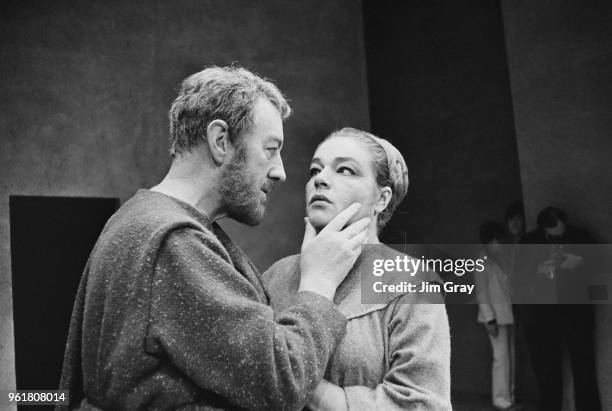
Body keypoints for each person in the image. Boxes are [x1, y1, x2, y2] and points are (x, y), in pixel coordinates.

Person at [58, 67, 372, 410]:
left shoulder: (140, 220)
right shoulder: (172, 243)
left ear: (383, 196)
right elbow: (280, 382)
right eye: (270, 149)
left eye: (345, 170)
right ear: (220, 141)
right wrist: (320, 282)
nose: (282, 172)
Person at [264, 128, 451, 410]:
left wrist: (307, 385)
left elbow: (425, 403)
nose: (321, 179)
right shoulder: (275, 276)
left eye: (346, 170)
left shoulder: (412, 282)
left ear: (382, 199)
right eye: (315, 170)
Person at [518, 207, 601, 411]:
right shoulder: (529, 243)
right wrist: (537, 270)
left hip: (577, 314)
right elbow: (518, 277)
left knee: (584, 371)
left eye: (562, 234)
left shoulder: (580, 236)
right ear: (543, 230)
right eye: (553, 236)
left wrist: (579, 262)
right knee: (548, 374)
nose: (559, 239)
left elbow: (602, 264)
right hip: (544, 317)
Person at [474, 221, 522, 411]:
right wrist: (490, 319)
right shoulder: (481, 261)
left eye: (500, 239)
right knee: (501, 358)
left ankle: (509, 397)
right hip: (495, 317)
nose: (499, 243)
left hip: (508, 314)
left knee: (510, 356)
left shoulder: (501, 258)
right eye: (496, 239)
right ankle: (501, 400)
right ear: (488, 240)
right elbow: (482, 294)